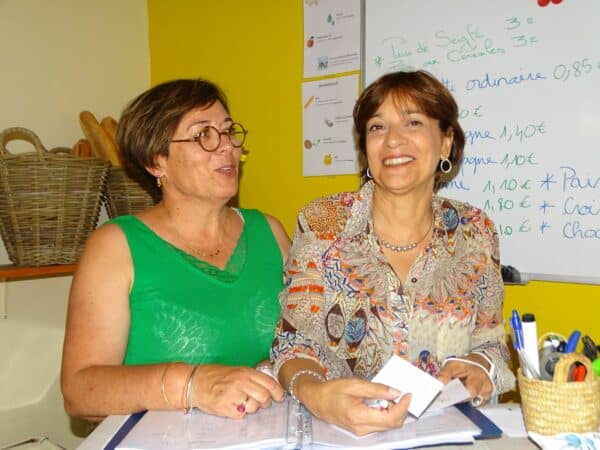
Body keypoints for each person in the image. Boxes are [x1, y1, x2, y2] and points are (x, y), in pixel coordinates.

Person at [271, 70, 515, 436]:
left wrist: (481, 366)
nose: (393, 140)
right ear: (365, 148)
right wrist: (316, 394)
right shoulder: (323, 223)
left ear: (446, 142)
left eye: (413, 122)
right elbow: (293, 345)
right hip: (342, 437)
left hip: (446, 435)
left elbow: (491, 342)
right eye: (377, 127)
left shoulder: (476, 230)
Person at [61, 78, 289, 420]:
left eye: (228, 131)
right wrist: (193, 385)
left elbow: (311, 338)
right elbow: (80, 391)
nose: (227, 147)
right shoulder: (115, 246)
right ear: (156, 162)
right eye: (204, 135)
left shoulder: (269, 232)